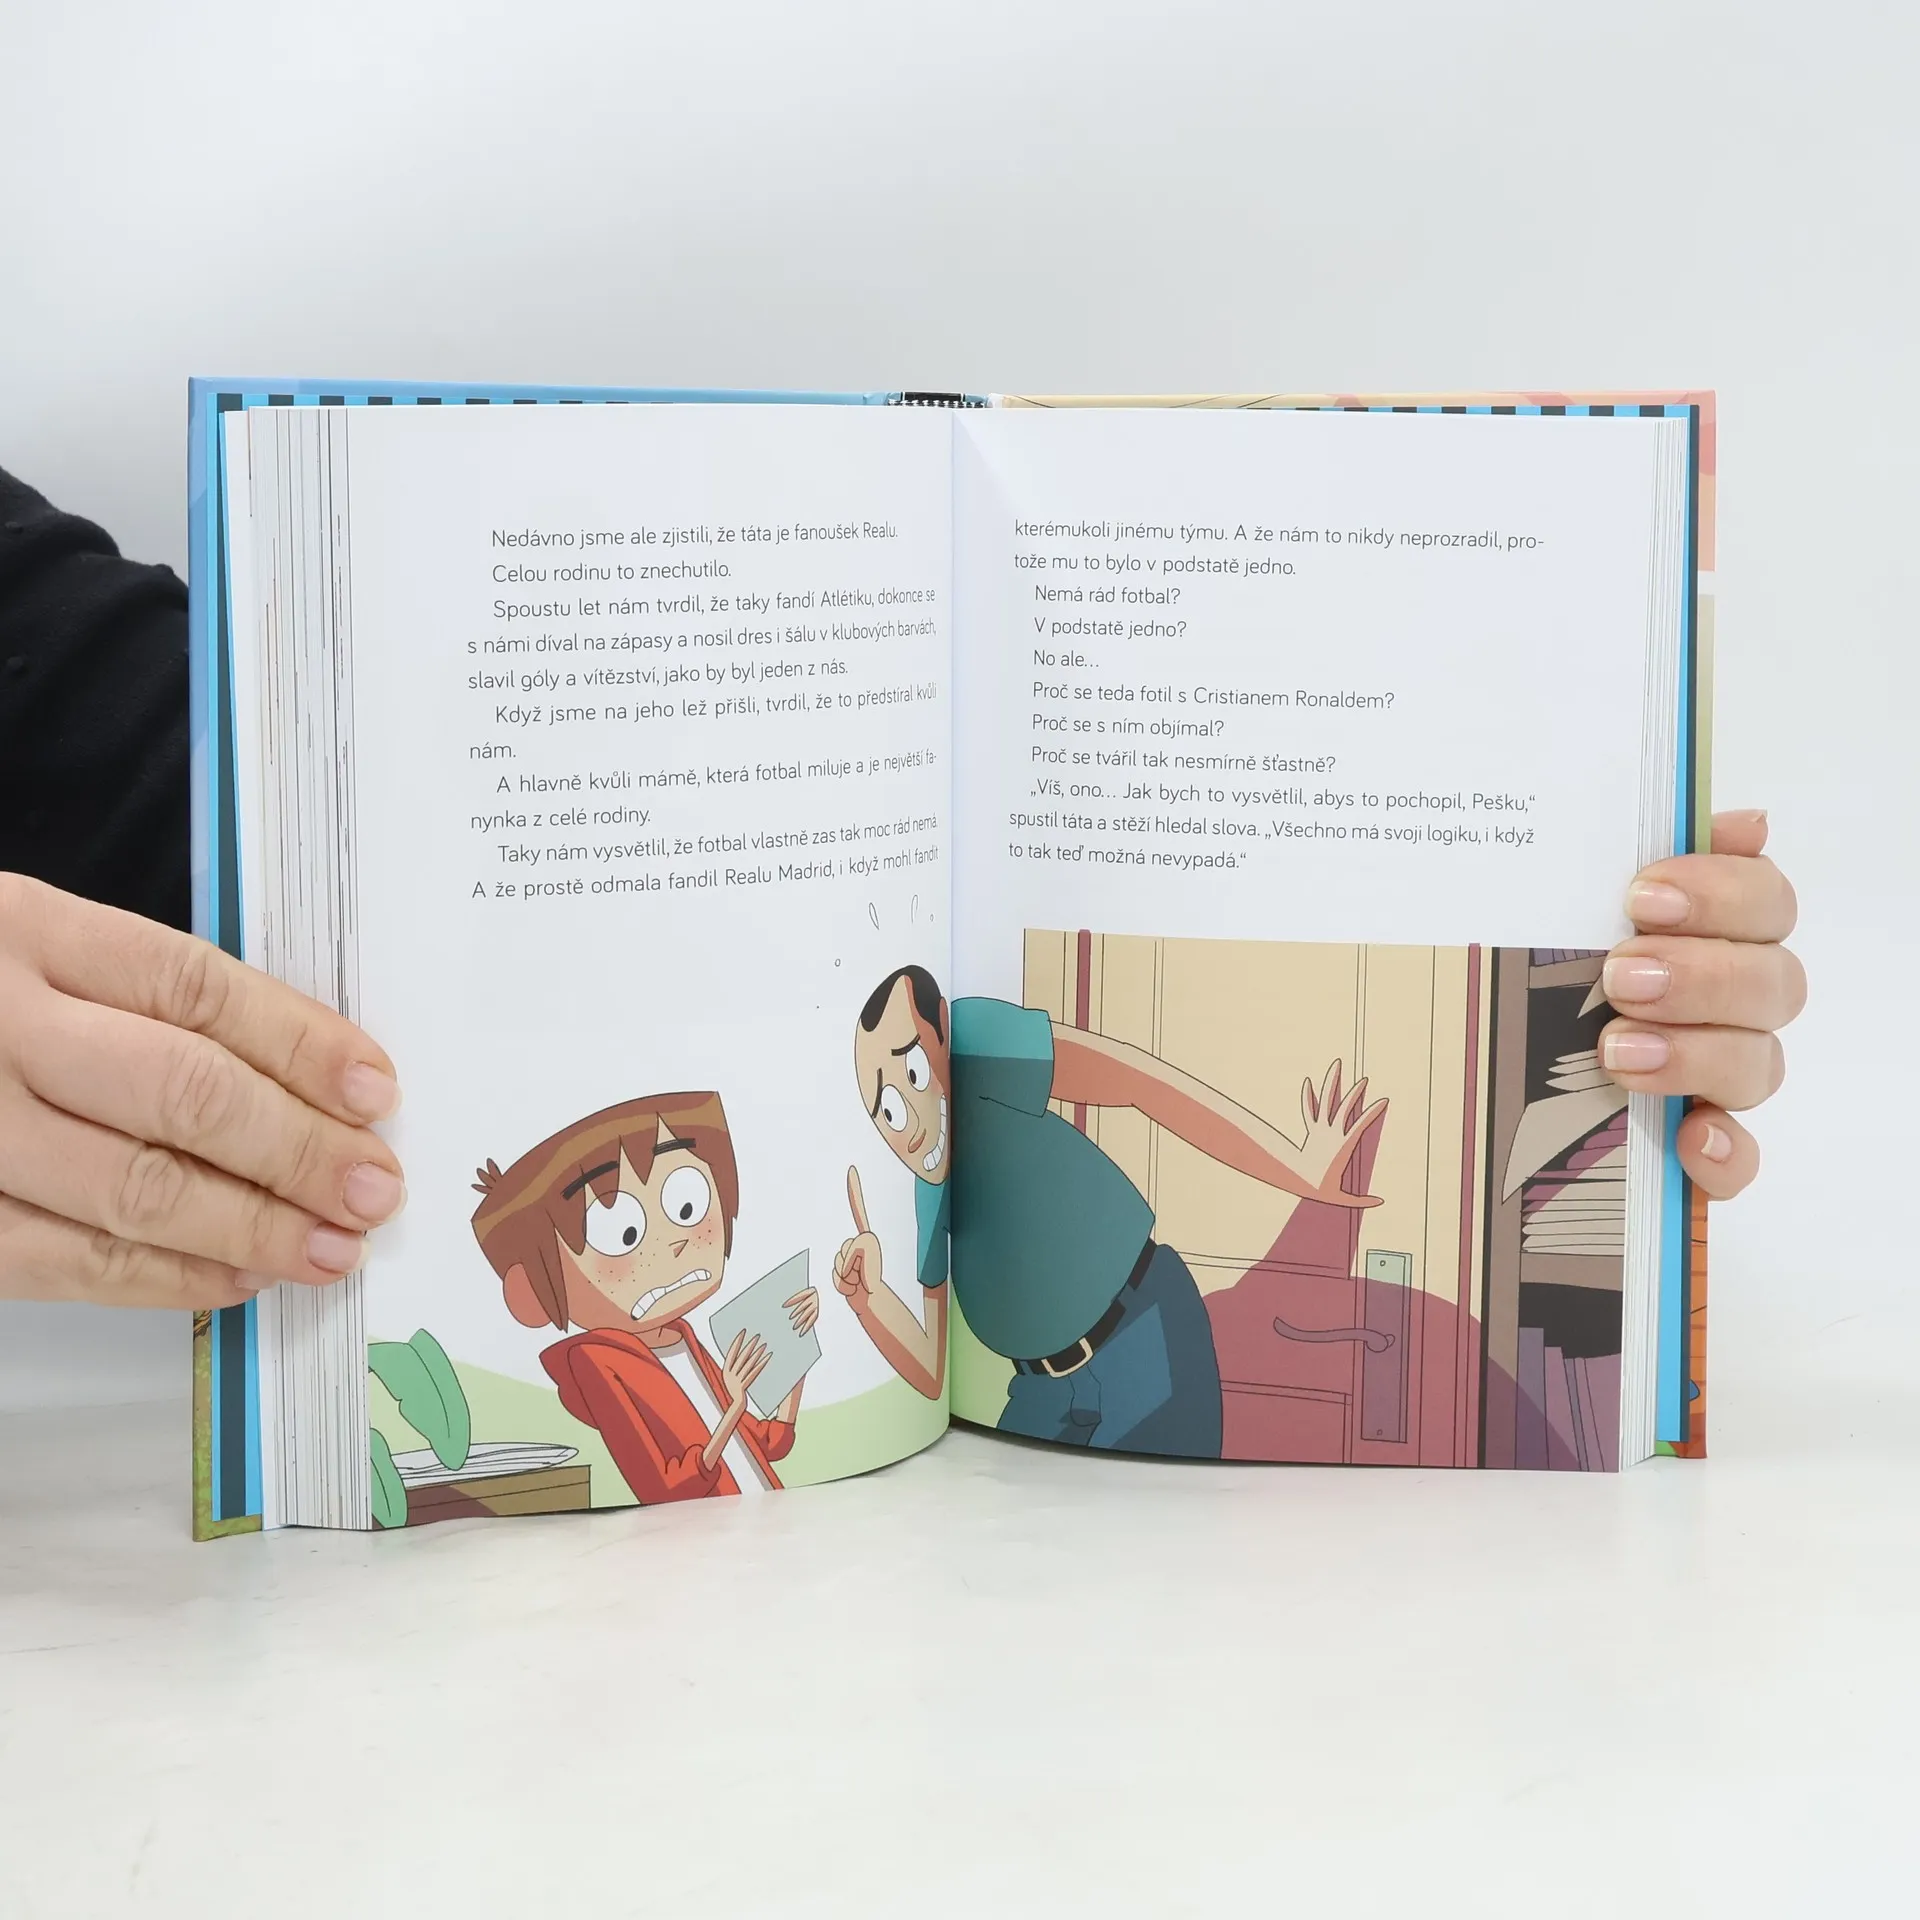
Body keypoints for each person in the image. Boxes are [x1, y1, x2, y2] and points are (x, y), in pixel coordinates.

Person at [0, 466, 1805, 1312]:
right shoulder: (877, 1158)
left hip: (1149, 1358)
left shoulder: (996, 1045)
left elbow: (123, 730)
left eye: (903, 1065)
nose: (909, 1096)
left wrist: (1568, 913)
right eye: (883, 1090)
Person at [834, 966, 1386, 1455]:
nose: (910, 1126)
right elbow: (932, 1372)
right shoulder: (930, 1189)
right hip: (1040, 1392)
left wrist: (1297, 1170)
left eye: (913, 1075)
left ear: (943, 1032)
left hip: (1143, 1335)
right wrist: (868, 1298)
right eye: (887, 1112)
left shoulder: (982, 1047)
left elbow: (1139, 1083)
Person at [470, 1093, 819, 1503]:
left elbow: (766, 1443)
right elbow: (663, 1485)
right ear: (537, 1285)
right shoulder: (598, 1363)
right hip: (702, 1532)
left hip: (768, 1513)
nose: (673, 1243)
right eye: (621, 1233)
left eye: (687, 1206)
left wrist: (795, 1345)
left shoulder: (681, 1336)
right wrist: (732, 1409)